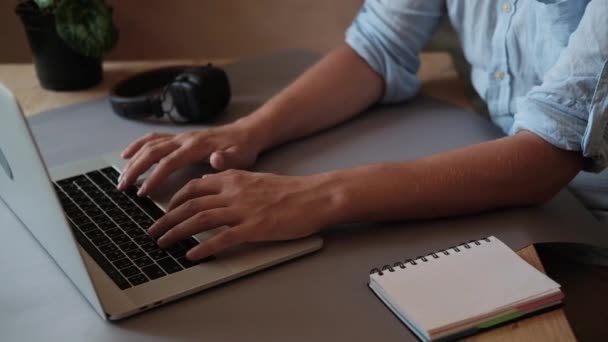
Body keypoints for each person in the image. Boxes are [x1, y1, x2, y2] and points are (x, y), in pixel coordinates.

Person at [116, 1, 608, 261]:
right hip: (496, 173)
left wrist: (314, 197)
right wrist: (250, 130)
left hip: (585, 229)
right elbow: (379, 46)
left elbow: (544, 159)